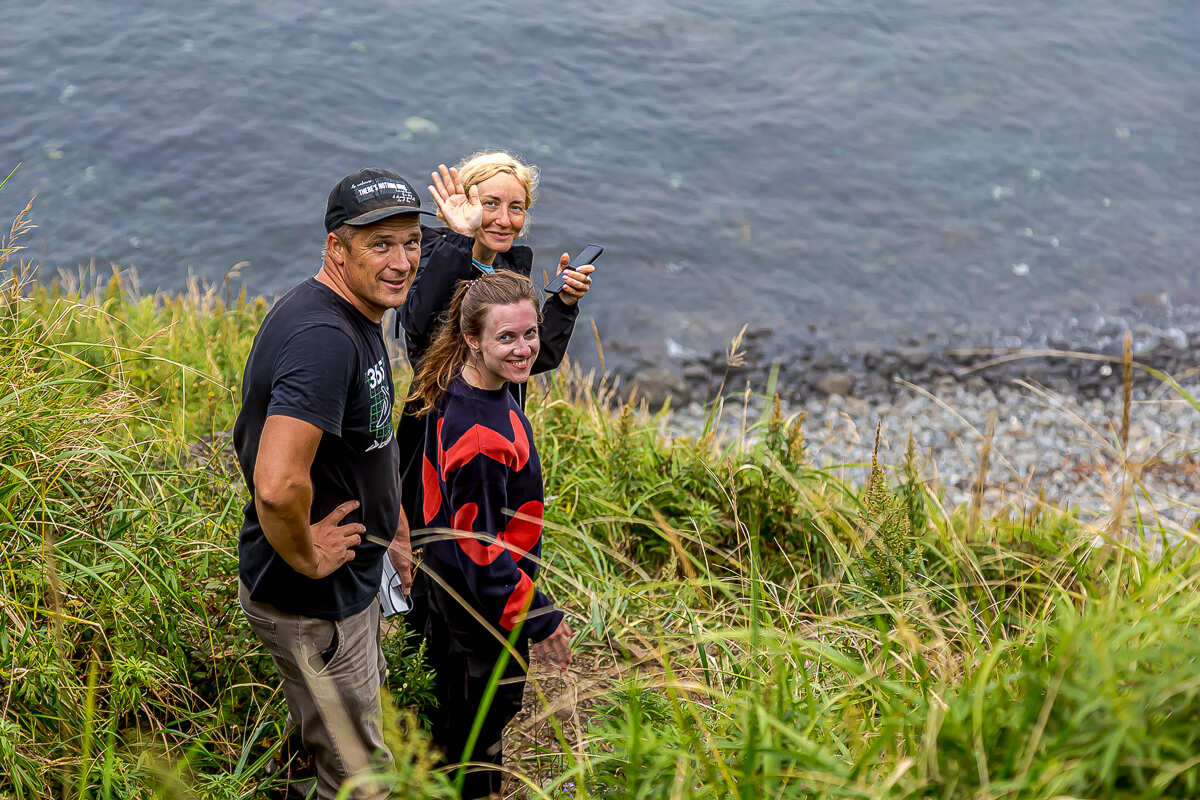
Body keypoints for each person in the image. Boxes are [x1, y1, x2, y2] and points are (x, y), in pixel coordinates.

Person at [234, 167, 430, 799]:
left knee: (323, 742)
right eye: (380, 245)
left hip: (347, 586)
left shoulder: (354, 314)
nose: (402, 261)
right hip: (315, 603)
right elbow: (276, 483)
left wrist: (393, 527)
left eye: (411, 242)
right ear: (336, 249)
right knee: (361, 780)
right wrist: (305, 555)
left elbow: (367, 441)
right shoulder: (324, 338)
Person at [409, 270, 573, 799]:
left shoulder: (458, 382)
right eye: (507, 337)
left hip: (443, 586)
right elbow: (481, 551)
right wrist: (540, 617)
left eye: (530, 333)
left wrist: (564, 306)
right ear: (472, 340)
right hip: (478, 614)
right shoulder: (481, 437)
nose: (524, 349)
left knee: (448, 729)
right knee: (475, 742)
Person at [395, 152, 596, 530]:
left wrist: (563, 304)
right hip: (437, 437)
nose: (505, 219)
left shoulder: (507, 269)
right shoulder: (429, 256)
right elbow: (421, 326)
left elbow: (531, 358)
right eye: (491, 204)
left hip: (501, 429)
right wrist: (460, 236)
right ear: (464, 203)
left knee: (497, 535)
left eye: (516, 207)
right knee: (438, 540)